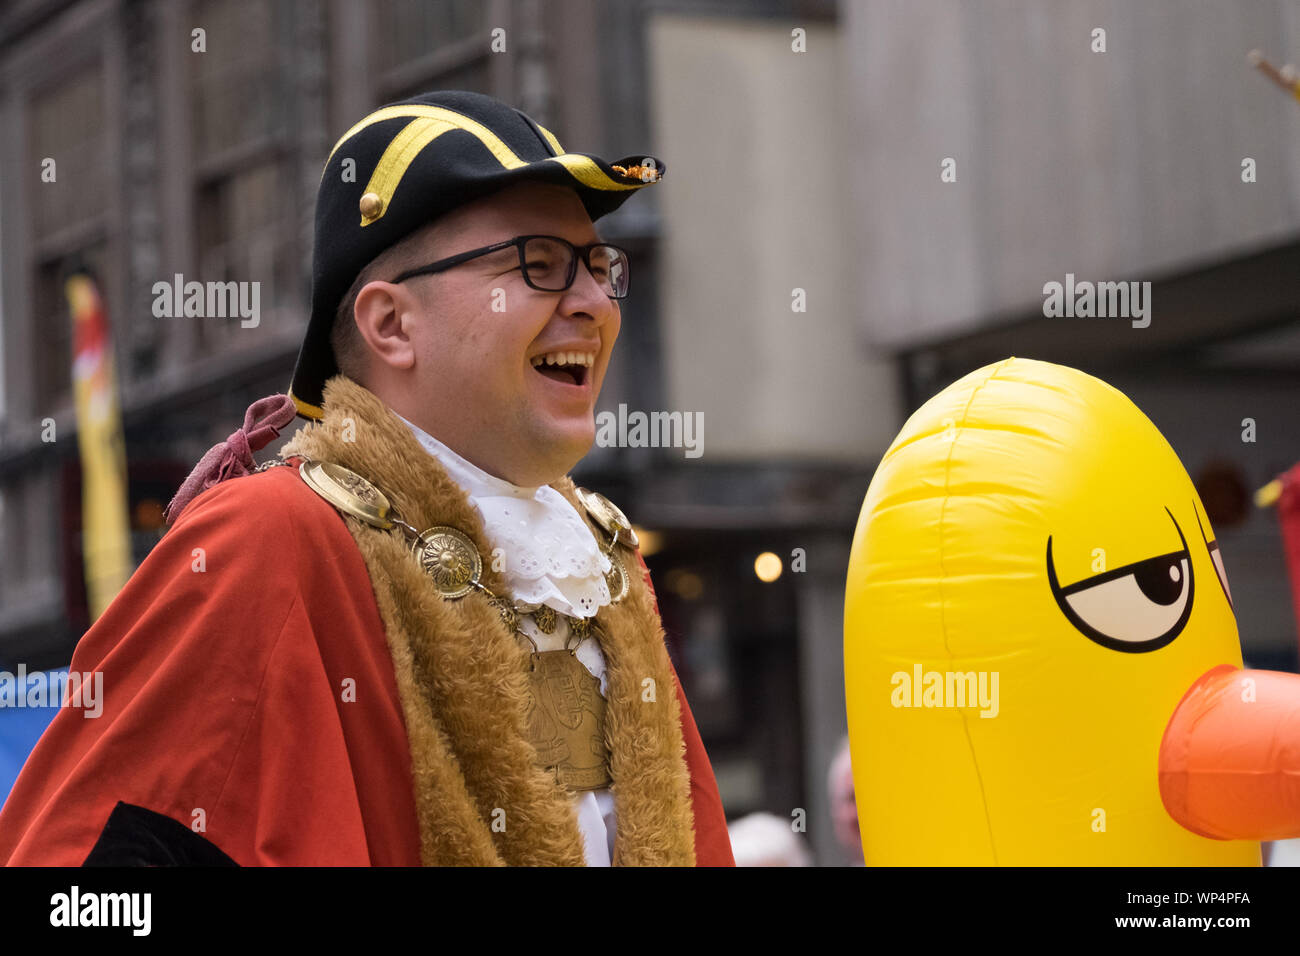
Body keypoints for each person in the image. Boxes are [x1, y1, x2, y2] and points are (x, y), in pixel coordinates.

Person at [0, 90, 734, 867]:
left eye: (597, 266)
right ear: (390, 325)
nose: (593, 304)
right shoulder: (265, 540)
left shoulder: (602, 565)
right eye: (540, 266)